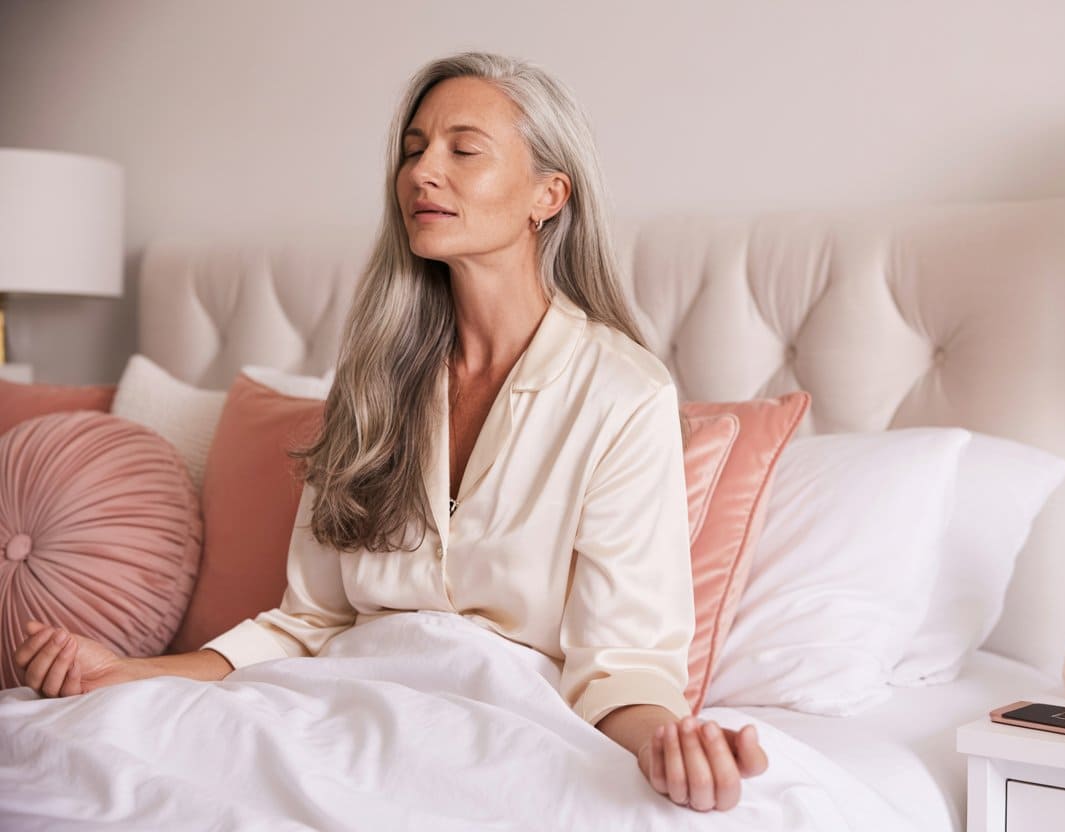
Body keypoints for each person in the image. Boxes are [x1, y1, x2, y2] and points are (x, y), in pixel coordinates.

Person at [14, 51, 768, 812]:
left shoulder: (623, 395)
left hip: (497, 735)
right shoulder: (371, 382)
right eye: (413, 150)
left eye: (462, 150)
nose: (421, 173)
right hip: (323, 713)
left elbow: (621, 668)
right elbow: (308, 623)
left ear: (548, 193)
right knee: (66, 760)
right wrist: (128, 671)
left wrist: (669, 746)